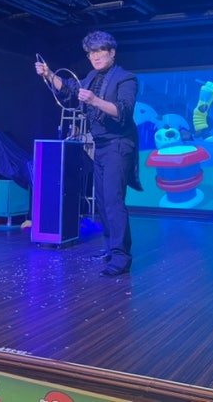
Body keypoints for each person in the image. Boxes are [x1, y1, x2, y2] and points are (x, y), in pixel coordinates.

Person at [35, 31, 142, 277]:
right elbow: (70, 89)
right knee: (103, 201)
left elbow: (123, 111)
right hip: (100, 145)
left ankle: (121, 257)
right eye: (91, 53)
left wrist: (94, 100)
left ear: (112, 53)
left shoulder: (126, 79)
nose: (95, 56)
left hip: (119, 144)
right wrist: (49, 74)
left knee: (113, 200)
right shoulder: (92, 77)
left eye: (100, 51)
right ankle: (111, 248)